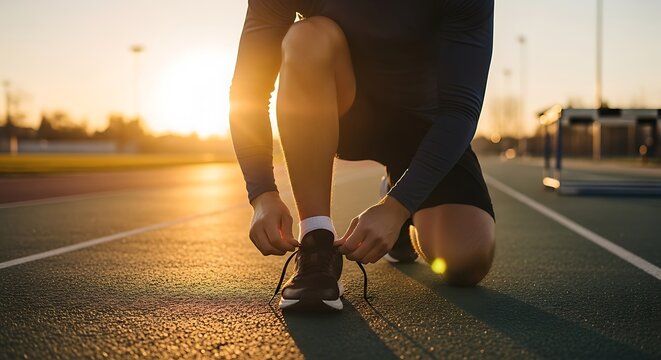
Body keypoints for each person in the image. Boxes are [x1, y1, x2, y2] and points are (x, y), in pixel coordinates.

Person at [229, 0, 496, 312]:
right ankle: (317, 244)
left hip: (426, 126)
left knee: (467, 259)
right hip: (345, 112)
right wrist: (262, 193)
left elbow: (460, 109)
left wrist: (397, 207)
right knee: (306, 38)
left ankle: (400, 199)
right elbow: (248, 91)